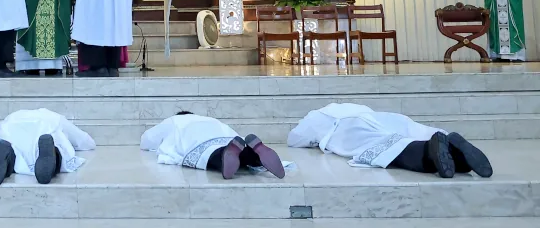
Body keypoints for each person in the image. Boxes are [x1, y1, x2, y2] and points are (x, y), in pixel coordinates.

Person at [288, 103, 492, 178]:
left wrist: (313, 140)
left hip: (348, 128)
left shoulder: (314, 117)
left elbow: (294, 139)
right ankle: (455, 148)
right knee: (413, 130)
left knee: (388, 147)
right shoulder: (348, 106)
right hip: (380, 116)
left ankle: (430, 152)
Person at [0, 108, 95, 186]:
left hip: (11, 132)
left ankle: (6, 154)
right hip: (44, 130)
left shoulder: (13, 116)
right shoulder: (53, 117)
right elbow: (84, 141)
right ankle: (52, 154)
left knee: (12, 151)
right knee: (60, 151)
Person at [141, 112, 285, 179]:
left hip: (198, 140)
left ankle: (225, 156)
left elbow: (147, 139)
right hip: (226, 137)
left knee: (210, 154)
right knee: (238, 150)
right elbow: (232, 135)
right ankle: (254, 155)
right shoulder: (209, 119)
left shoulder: (175, 120)